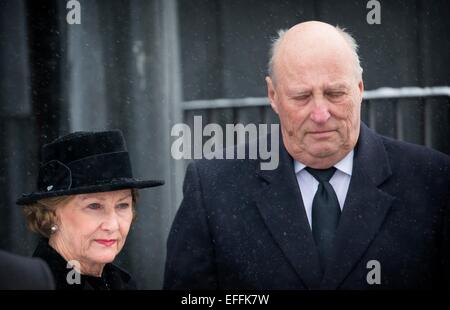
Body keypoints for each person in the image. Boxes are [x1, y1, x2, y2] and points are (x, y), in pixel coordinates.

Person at [164, 21, 450, 289]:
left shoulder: (433, 181)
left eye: (335, 93)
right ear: (273, 96)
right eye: (301, 96)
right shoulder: (214, 186)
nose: (320, 114)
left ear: (359, 89)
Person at [16, 130, 164, 290]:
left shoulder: (122, 283)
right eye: (94, 206)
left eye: (122, 205)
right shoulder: (35, 285)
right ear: (51, 214)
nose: (112, 225)